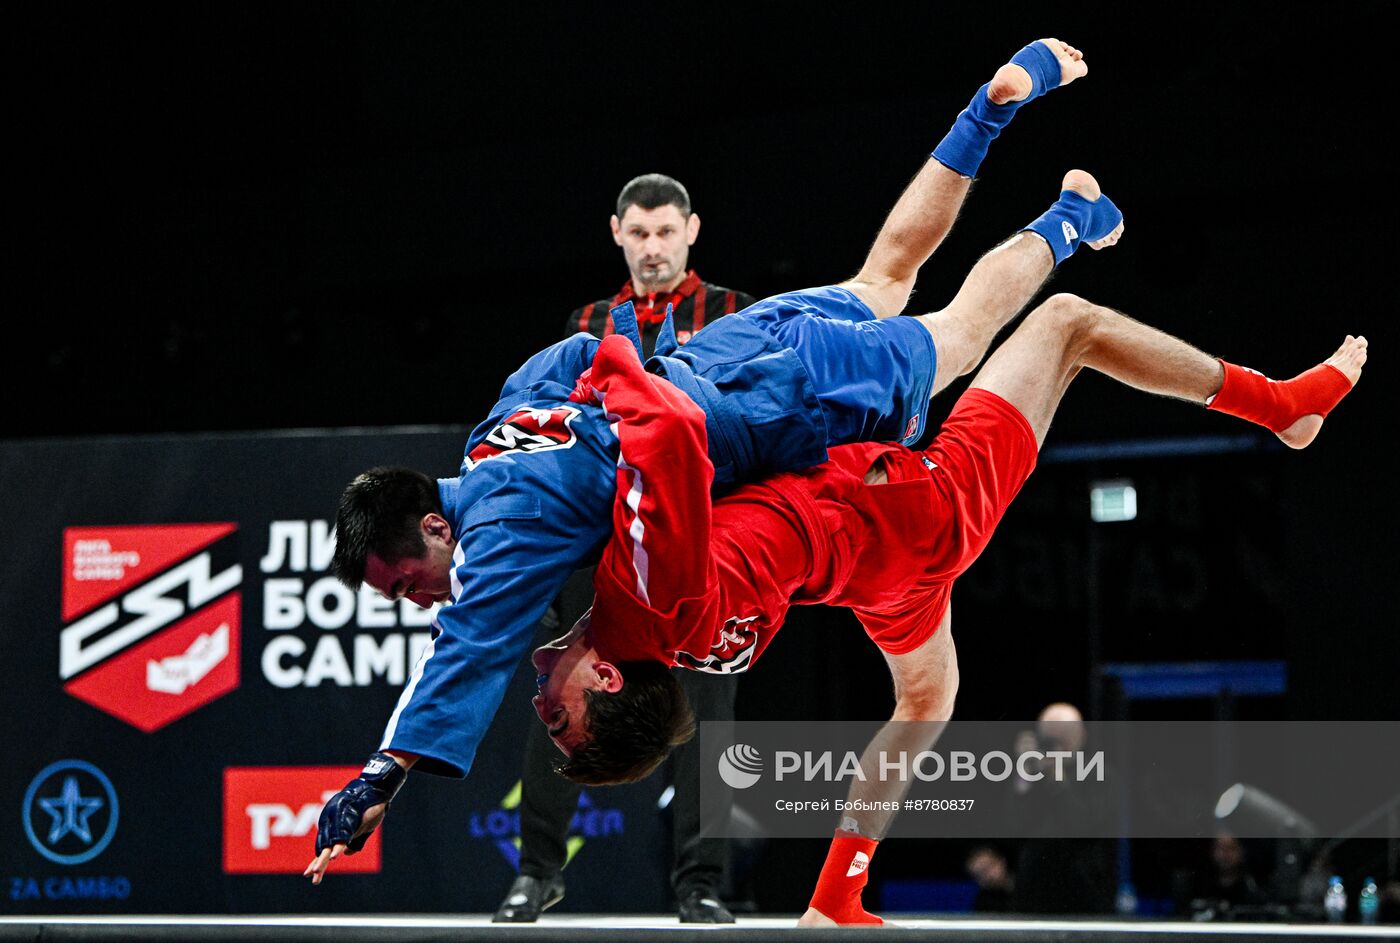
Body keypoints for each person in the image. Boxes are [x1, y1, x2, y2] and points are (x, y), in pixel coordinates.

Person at [308, 36, 1120, 884]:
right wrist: (625, 383)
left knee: (960, 335)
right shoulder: (492, 437)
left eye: (410, 580)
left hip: (772, 401)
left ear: (437, 525)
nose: (426, 599)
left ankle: (1068, 218)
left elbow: (466, 650)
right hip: (732, 353)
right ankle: (985, 113)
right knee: (884, 276)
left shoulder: (504, 535)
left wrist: (380, 777)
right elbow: (569, 359)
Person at [525, 295, 1364, 923]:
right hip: (919, 510)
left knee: (927, 699)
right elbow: (664, 444)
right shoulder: (654, 593)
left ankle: (836, 893)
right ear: (604, 677)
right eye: (558, 717)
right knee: (1068, 322)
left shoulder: (665, 634)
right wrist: (610, 367)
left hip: (878, 579)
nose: (537, 693)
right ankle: (1282, 407)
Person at [496, 174, 754, 924]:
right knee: (558, 704)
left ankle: (701, 881)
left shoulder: (737, 315)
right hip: (595, 550)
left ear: (691, 230)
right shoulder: (587, 321)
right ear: (617, 233)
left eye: (665, 232)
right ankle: (536, 873)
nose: (652, 248)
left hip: (702, 549)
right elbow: (552, 433)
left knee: (713, 719)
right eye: (638, 234)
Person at [1009, 702, 1116, 914]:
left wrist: (1056, 777)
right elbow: (1011, 824)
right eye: (1049, 736)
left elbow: (1081, 826)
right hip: (1032, 894)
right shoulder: (1030, 776)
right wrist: (1025, 771)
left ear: (1081, 736)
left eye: (1064, 736)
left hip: (1084, 896)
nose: (1056, 745)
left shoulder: (1100, 774)